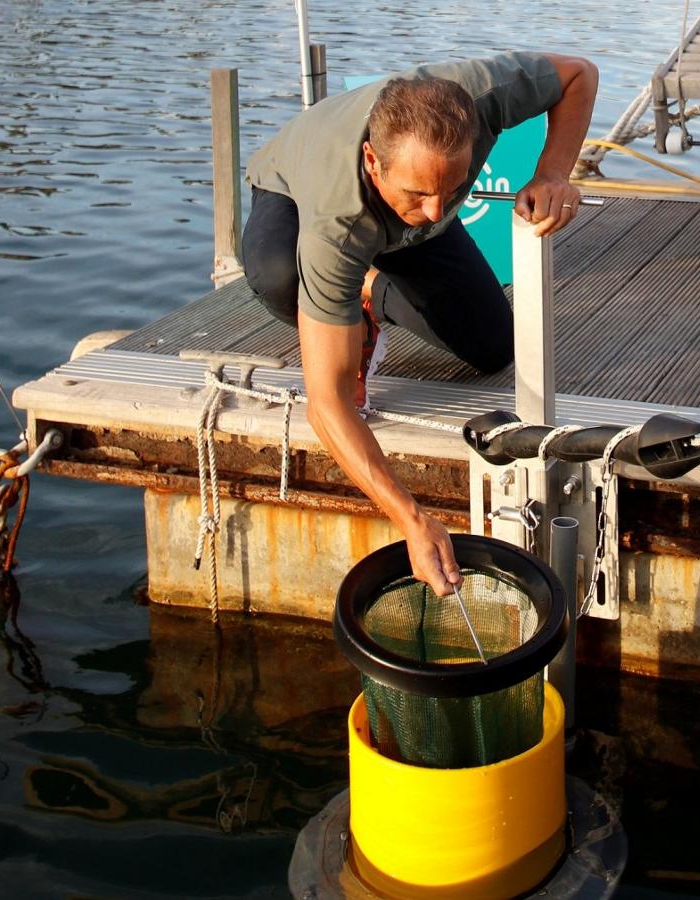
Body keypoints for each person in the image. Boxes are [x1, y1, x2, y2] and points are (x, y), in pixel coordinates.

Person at [241, 51, 598, 597]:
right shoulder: (336, 221)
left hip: (395, 200)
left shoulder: (481, 95)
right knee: (275, 275)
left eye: (451, 189)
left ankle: (370, 287)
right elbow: (327, 401)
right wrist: (410, 517)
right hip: (292, 185)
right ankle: (347, 297)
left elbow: (579, 75)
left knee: (492, 346)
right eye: (419, 195)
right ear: (373, 162)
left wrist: (551, 172)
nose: (435, 211)